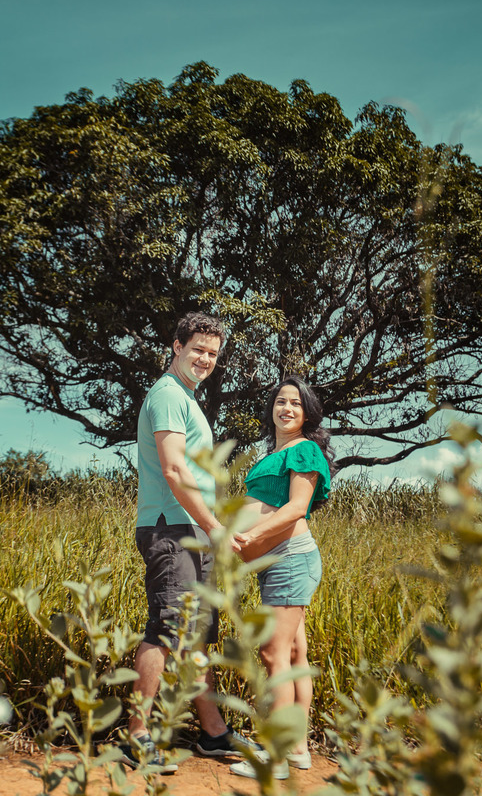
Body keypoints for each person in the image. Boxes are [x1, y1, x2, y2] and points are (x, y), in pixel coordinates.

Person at [121, 312, 256, 771]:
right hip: (171, 527)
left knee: (195, 635)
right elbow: (175, 470)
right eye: (197, 348)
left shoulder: (187, 398)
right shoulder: (166, 394)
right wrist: (214, 526)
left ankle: (214, 735)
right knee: (165, 629)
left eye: (213, 354)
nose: (205, 359)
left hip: (192, 530)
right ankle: (137, 736)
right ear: (177, 346)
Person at [228, 376, 334, 780]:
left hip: (290, 560)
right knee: (292, 657)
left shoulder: (305, 450)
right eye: (280, 401)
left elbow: (295, 509)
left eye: (295, 403)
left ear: (307, 413)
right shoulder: (275, 451)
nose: (286, 408)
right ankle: (298, 749)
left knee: (274, 656)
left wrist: (251, 535)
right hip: (277, 562)